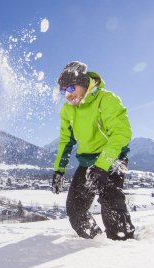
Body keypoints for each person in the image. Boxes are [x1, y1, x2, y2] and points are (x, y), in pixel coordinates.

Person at [52, 61, 135, 241]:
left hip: (112, 157)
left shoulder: (106, 99)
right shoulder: (68, 110)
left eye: (71, 88)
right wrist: (59, 170)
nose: (68, 95)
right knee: (75, 209)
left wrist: (103, 164)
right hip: (87, 161)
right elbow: (66, 141)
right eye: (63, 91)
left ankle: (124, 243)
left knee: (110, 201)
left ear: (83, 82)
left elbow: (122, 133)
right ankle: (96, 242)